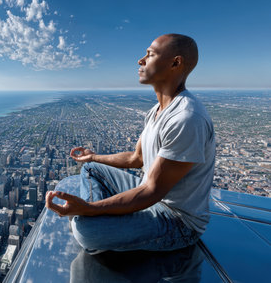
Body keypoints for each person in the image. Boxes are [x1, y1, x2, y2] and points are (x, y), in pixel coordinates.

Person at [46, 33, 215, 253]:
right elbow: (136, 158)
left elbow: (152, 190)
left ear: (175, 62)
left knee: (86, 231)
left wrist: (91, 209)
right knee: (89, 169)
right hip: (150, 194)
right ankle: (100, 215)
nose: (140, 60)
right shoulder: (156, 111)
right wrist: (93, 156)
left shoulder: (186, 117)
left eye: (150, 54)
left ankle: (95, 216)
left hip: (177, 220)